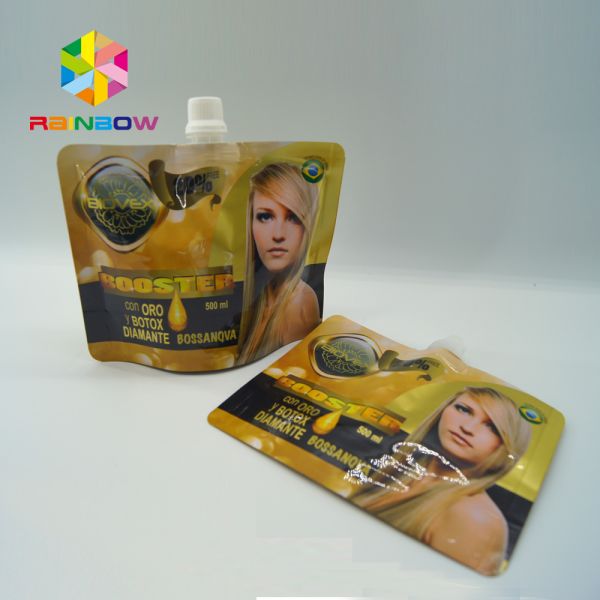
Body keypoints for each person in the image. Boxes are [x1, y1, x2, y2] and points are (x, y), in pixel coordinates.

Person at [350, 386, 531, 575]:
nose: (467, 428)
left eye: (492, 427)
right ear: (443, 411)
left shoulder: (475, 518)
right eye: (463, 409)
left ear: (507, 448)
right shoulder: (404, 470)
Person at [237, 163, 320, 364]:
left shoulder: (300, 304)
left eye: (293, 217)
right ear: (251, 223)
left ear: (307, 226)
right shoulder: (255, 302)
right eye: (265, 216)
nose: (278, 234)